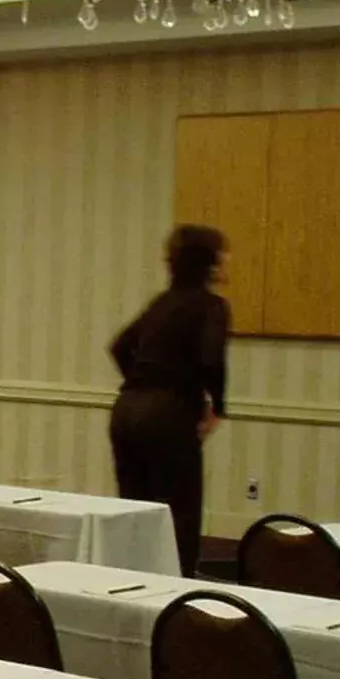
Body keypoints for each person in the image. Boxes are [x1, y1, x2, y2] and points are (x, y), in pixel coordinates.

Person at [109, 225, 230, 576]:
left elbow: (119, 346)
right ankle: (178, 590)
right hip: (169, 412)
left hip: (127, 409)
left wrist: (141, 380)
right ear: (209, 262)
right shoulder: (211, 306)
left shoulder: (161, 303)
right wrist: (217, 406)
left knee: (137, 511)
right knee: (180, 512)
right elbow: (211, 359)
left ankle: (130, 583)